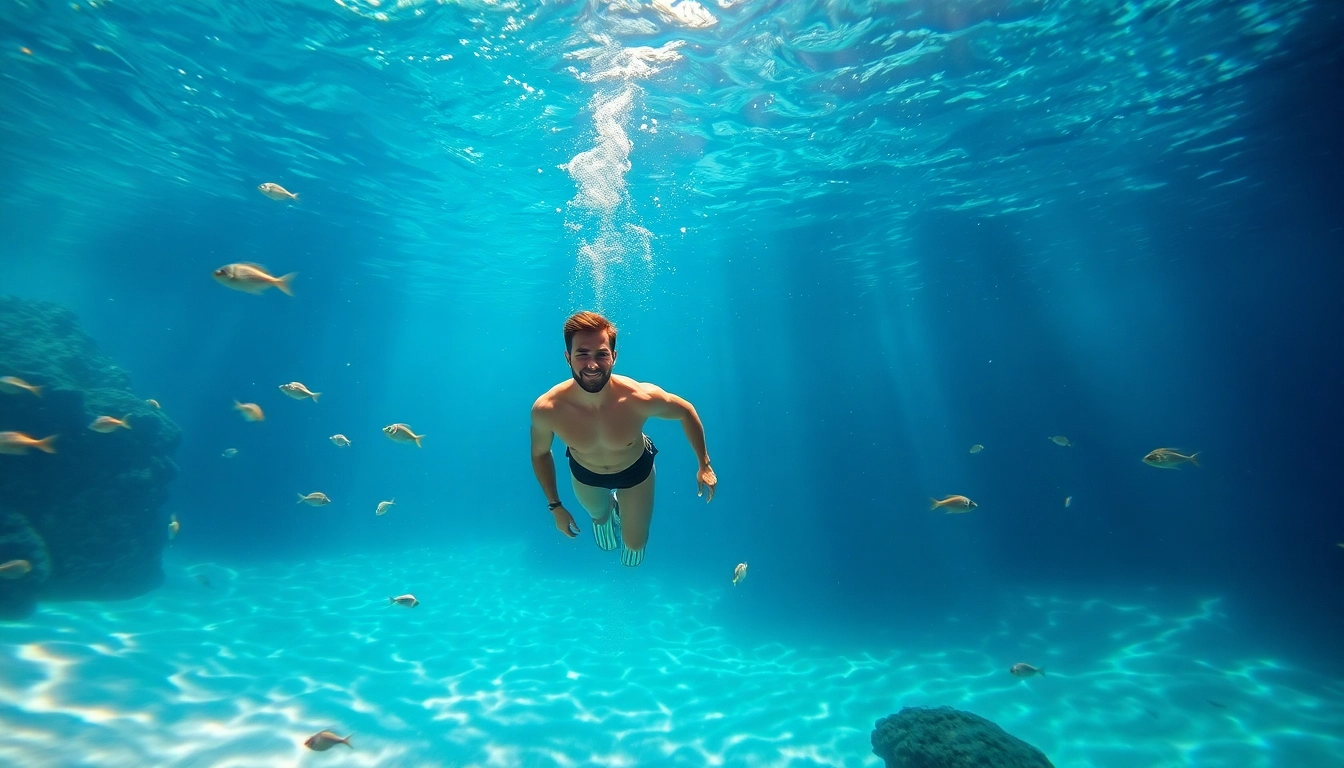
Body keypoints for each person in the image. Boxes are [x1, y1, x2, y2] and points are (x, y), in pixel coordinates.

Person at [530, 311, 716, 567]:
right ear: (567, 358)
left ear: (614, 357)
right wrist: (555, 506)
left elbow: (685, 411)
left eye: (601, 354)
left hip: (635, 472)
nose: (592, 365)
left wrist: (704, 464)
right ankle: (609, 510)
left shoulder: (638, 397)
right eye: (582, 354)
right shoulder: (548, 409)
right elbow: (540, 453)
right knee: (599, 517)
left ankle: (622, 526)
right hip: (586, 474)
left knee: (635, 546)